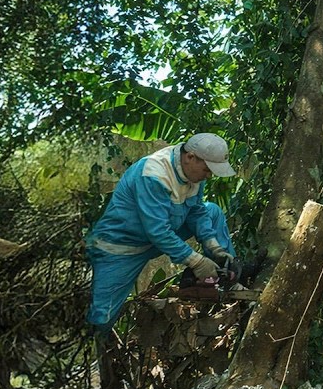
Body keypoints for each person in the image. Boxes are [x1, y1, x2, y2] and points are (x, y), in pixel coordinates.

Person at [84, 132, 239, 334]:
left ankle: (226, 277)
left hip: (158, 236)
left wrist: (214, 247)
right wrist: (197, 262)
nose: (208, 175)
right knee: (102, 317)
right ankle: (90, 356)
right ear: (190, 157)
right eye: (207, 169)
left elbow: (197, 211)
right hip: (120, 248)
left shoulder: (193, 173)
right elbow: (157, 231)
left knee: (212, 212)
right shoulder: (153, 173)